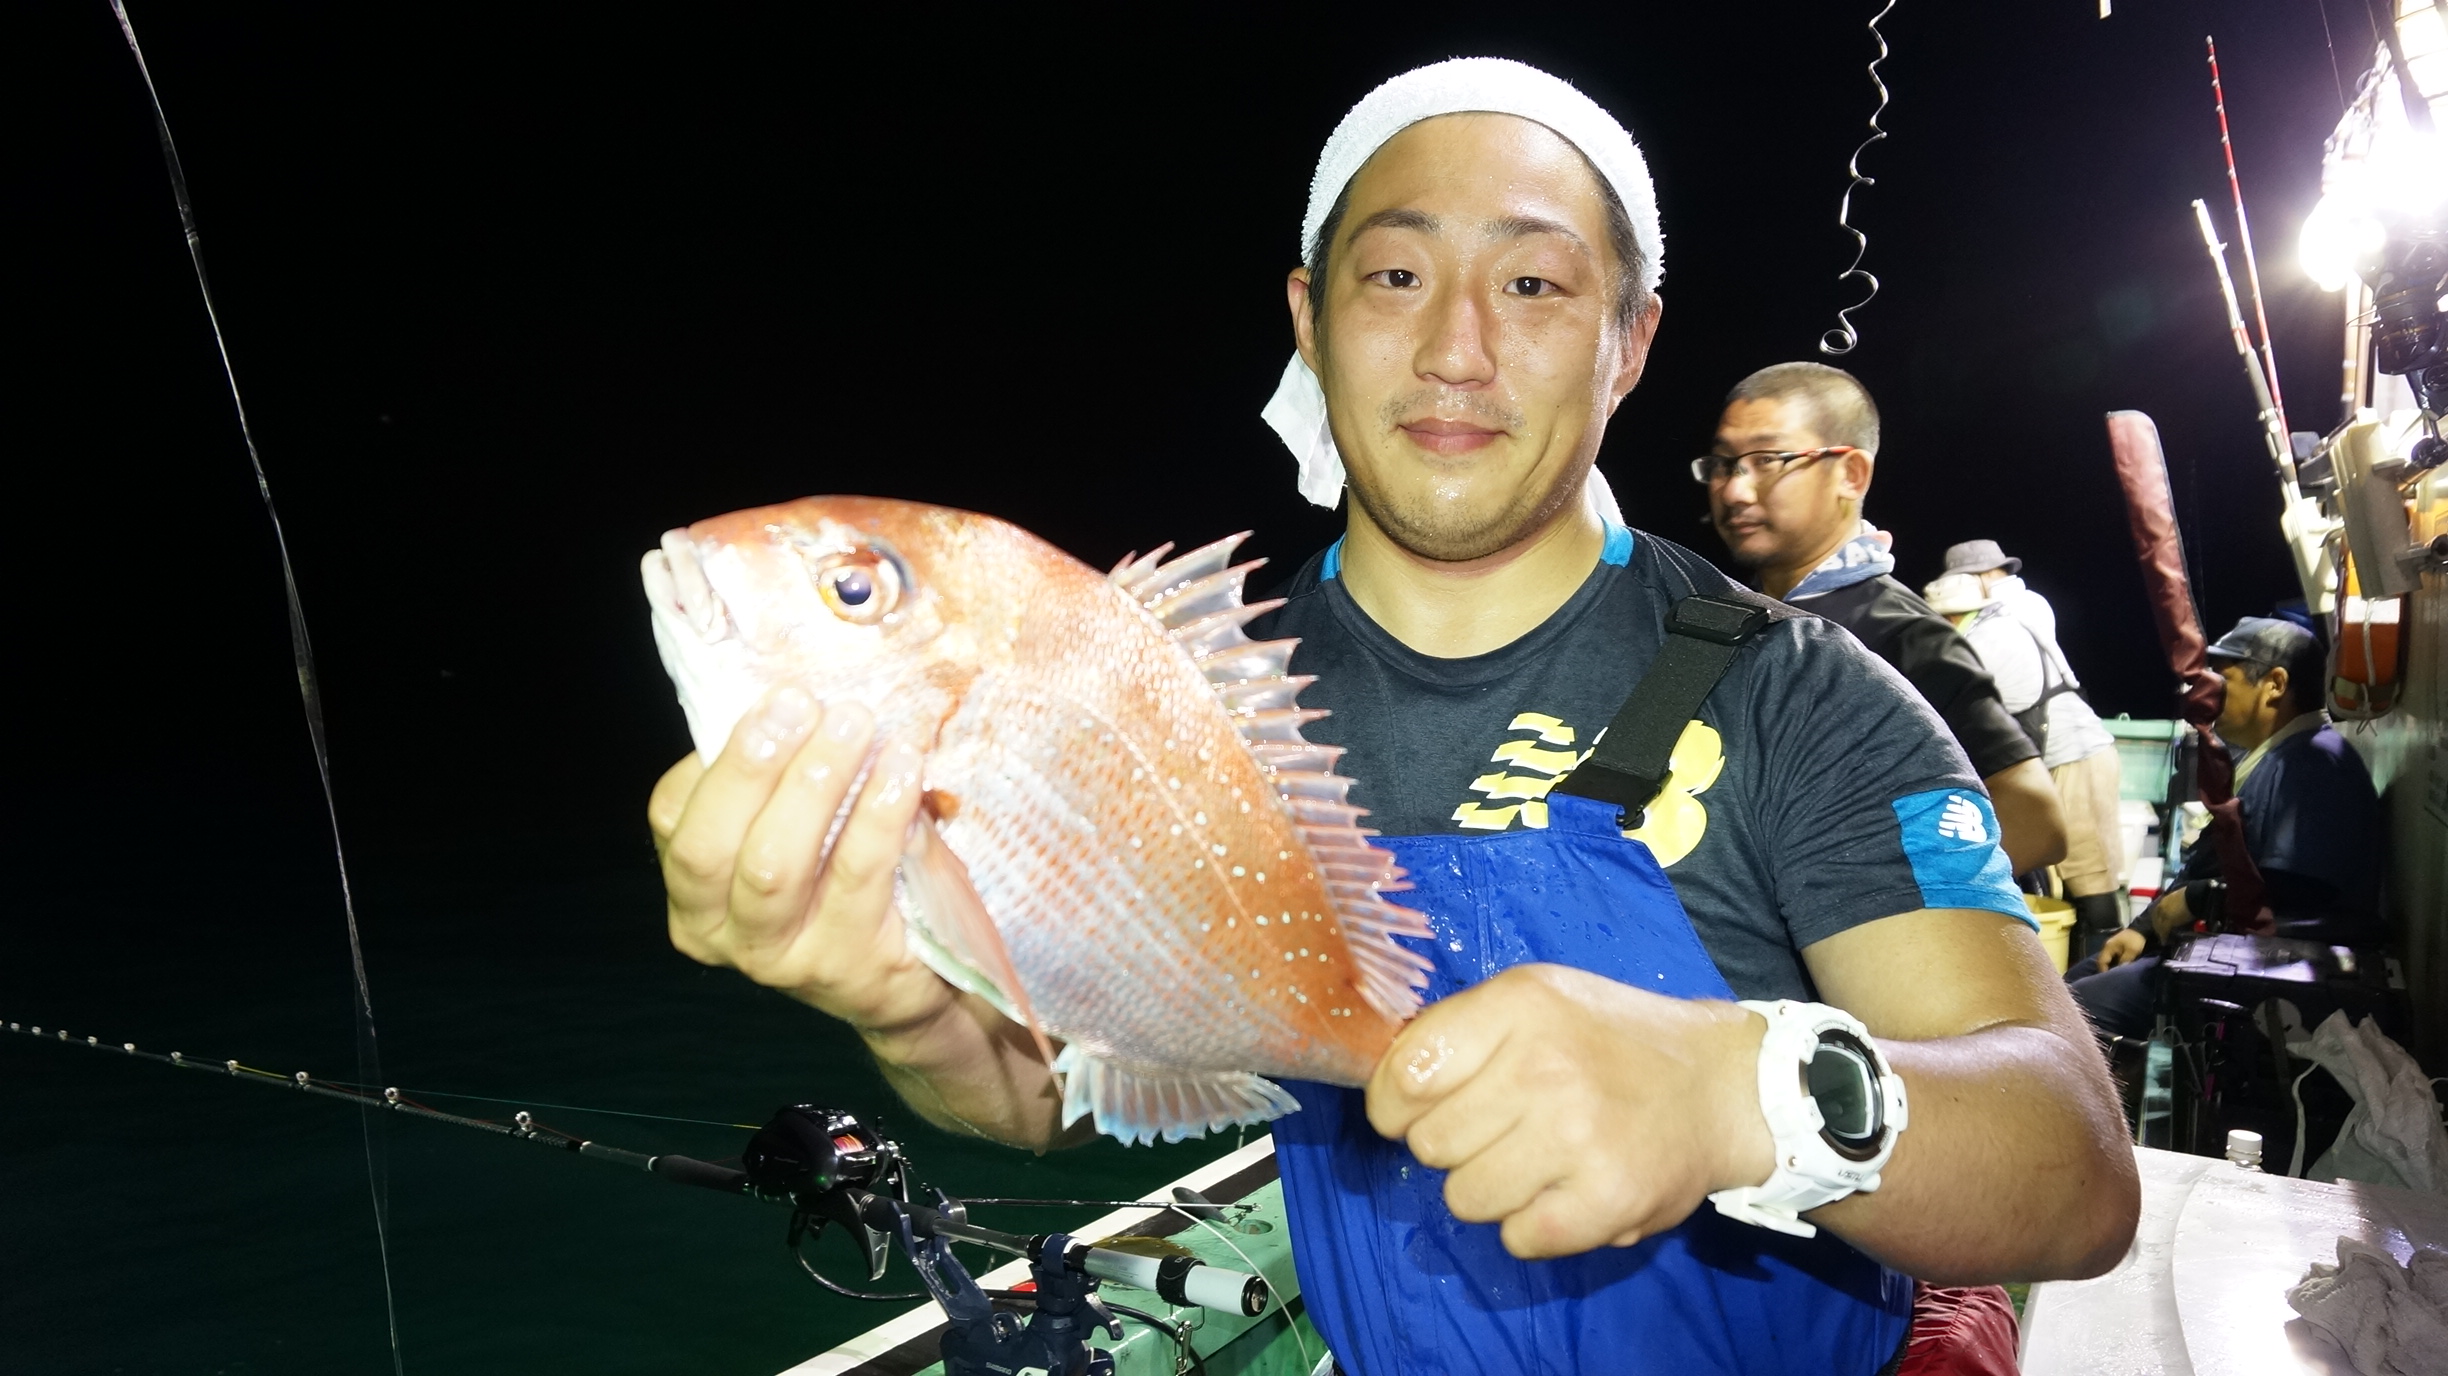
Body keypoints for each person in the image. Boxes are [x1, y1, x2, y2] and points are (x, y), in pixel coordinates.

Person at [647, 59, 2136, 1375]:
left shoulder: (1797, 690)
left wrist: (1741, 1093)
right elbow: (1046, 1087)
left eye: (1535, 285)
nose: (1457, 349)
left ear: (1629, 339)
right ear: (1311, 318)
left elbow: (2075, 1168)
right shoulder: (1206, 694)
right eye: (1397, 275)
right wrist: (906, 1006)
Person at [1703, 365, 2070, 876]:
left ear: (1851, 474)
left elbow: (2034, 819)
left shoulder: (1903, 635)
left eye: (1768, 460)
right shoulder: (1727, 615)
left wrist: (1854, 902)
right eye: (1724, 464)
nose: (1734, 491)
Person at [2066, 617, 2383, 1039]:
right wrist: (2142, 928)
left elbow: (2302, 889)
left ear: (2275, 684)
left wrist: (2197, 898)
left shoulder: (2313, 764)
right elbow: (2216, 860)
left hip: (2270, 964)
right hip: (2224, 942)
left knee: (2074, 1011)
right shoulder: (2274, 756)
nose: (2206, 692)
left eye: (2222, 678)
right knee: (2069, 984)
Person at [1923, 543, 2128, 951]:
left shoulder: (1997, 629)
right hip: (2051, 760)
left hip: (2075, 756)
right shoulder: (2017, 612)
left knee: (2091, 879)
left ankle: (2097, 970)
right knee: (2051, 873)